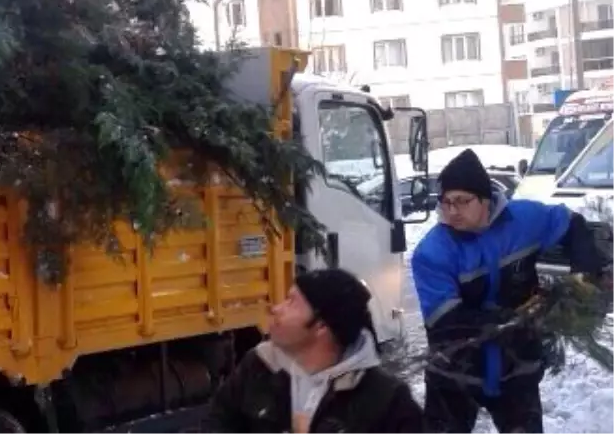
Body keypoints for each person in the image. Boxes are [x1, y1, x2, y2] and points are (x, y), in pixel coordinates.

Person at [412, 148, 607, 433]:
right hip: (455, 373)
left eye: (462, 201)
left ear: (485, 199)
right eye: (445, 202)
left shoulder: (524, 220)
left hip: (516, 367)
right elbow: (445, 321)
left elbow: (571, 224)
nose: (452, 211)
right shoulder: (432, 253)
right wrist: (509, 319)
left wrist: (585, 269)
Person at [209, 268, 423, 434]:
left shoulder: (385, 400)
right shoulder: (259, 366)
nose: (276, 308)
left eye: (291, 302)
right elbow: (216, 425)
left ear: (321, 326)